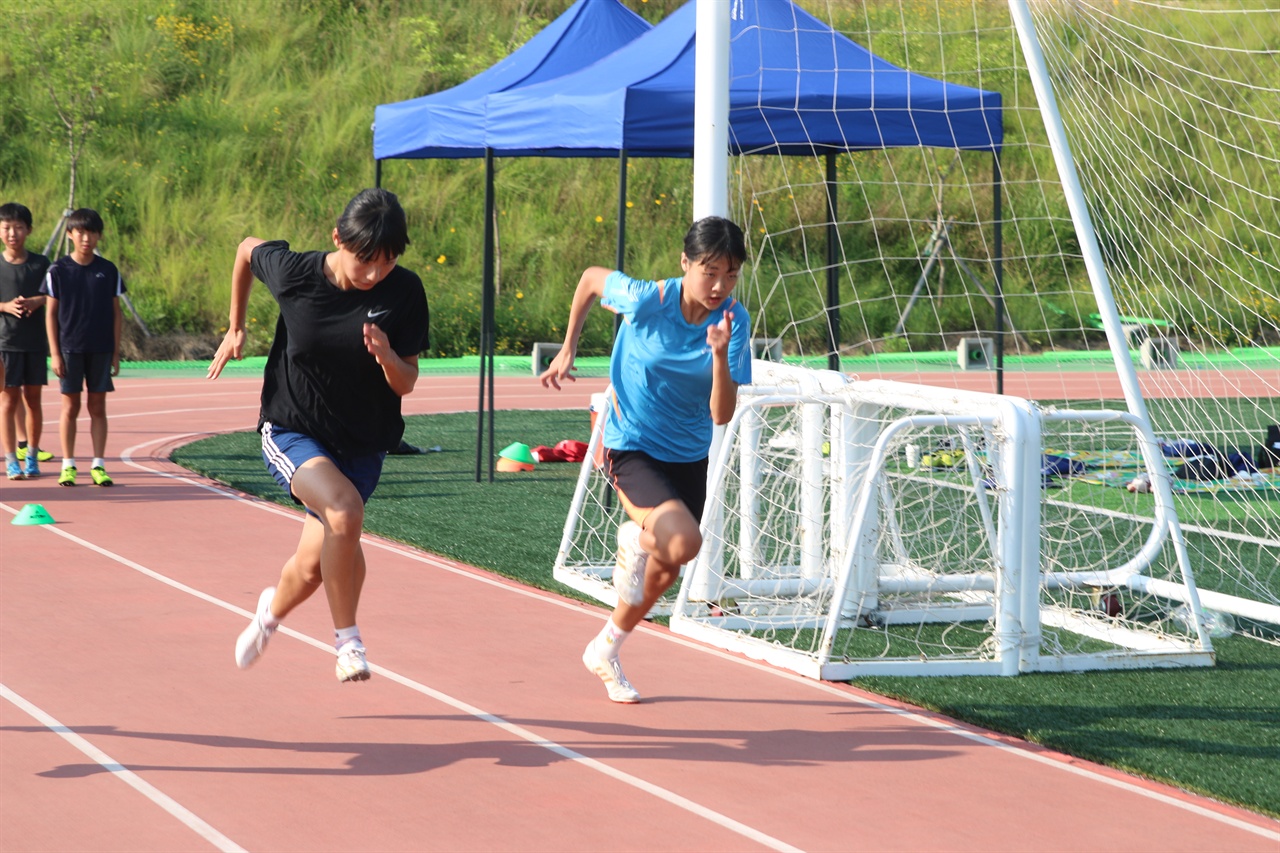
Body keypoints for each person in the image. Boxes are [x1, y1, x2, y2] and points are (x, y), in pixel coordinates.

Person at [208, 188, 428, 683]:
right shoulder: (295, 274)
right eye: (364, 260)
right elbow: (247, 248)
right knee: (345, 514)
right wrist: (236, 326)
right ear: (337, 240)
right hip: (293, 428)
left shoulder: (405, 292)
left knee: (314, 567)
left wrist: (389, 357)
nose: (373, 274)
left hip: (363, 443)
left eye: (387, 262)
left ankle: (268, 614)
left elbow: (407, 382)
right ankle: (348, 642)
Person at [539, 216, 751, 703]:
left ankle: (605, 649)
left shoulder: (733, 322)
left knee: (668, 565)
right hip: (629, 440)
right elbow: (592, 279)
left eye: (732, 273)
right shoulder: (647, 299)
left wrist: (719, 356)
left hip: (688, 454)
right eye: (709, 271)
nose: (720, 285)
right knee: (683, 539)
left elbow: (721, 414)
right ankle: (633, 536)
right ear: (685, 263)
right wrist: (569, 346)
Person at [41, 207, 123, 487]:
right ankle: (68, 464)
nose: (86, 238)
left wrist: (115, 351)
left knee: (97, 407)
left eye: (92, 232)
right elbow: (51, 313)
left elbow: (116, 312)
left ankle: (98, 465)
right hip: (69, 349)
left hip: (100, 348)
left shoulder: (108, 270)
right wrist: (54, 352)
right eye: (80, 232)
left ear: (99, 236)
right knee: (70, 407)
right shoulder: (58, 270)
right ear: (70, 235)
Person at [1, 202, 51, 480]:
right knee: (7, 402)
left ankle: (31, 456)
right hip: (5, 344)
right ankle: (11, 460)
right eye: (7, 227)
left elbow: (57, 296)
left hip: (34, 343)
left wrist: (37, 300)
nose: (12, 233)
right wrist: (5, 307)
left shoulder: (40, 264)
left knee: (33, 401)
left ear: (28, 230)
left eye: (18, 227)